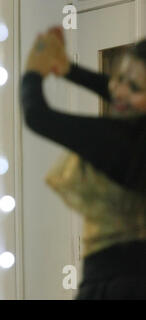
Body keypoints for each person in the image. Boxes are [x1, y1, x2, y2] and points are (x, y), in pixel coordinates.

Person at [21, 27, 146, 299]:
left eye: (134, 86)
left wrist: (33, 69)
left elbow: (38, 117)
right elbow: (119, 92)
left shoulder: (120, 142)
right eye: (119, 78)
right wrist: (68, 70)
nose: (120, 91)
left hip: (115, 287)